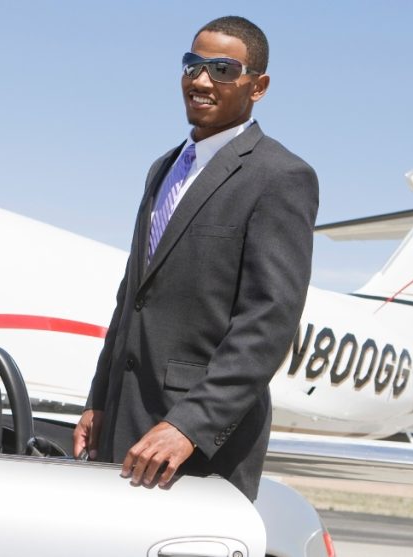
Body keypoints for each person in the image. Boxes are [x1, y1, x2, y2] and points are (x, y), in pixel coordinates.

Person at [73, 15, 318, 501]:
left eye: (223, 70)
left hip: (195, 450)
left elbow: (269, 321)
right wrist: (99, 400)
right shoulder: (161, 169)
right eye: (193, 65)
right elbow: (131, 301)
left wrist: (189, 425)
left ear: (258, 86)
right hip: (123, 427)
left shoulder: (280, 176)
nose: (201, 81)